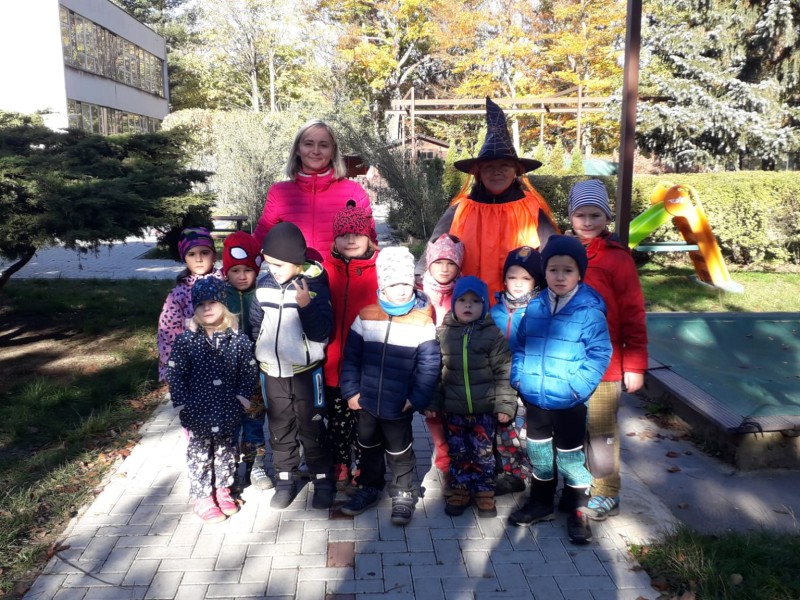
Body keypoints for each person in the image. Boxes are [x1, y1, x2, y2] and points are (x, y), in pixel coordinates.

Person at [509, 235, 611, 544]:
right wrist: (519, 378)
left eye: (568, 270)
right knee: (539, 453)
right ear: (545, 272)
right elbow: (521, 344)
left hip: (569, 401)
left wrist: (577, 388)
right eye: (553, 269)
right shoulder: (535, 306)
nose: (560, 276)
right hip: (536, 398)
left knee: (570, 456)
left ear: (580, 273)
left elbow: (599, 354)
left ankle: (577, 506)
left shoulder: (589, 310)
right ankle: (541, 502)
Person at [417, 98, 558, 301]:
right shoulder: (461, 209)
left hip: (519, 307)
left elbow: (552, 252)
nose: (496, 172)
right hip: (469, 305)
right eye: (489, 167)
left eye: (504, 166)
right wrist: (419, 274)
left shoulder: (531, 209)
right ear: (479, 173)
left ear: (516, 171)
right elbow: (436, 245)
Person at [338, 247, 440, 526]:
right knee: (367, 446)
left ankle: (404, 491)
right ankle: (370, 486)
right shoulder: (366, 316)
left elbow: (430, 365)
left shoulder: (422, 321)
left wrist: (416, 398)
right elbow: (352, 358)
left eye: (406, 284)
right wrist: (351, 391)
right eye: (394, 285)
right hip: (367, 400)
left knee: (400, 450)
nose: (402, 290)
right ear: (382, 285)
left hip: (399, 403)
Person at [565, 179, 648, 521]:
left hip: (606, 366)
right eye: (580, 215)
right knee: (571, 429)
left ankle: (606, 491)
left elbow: (633, 313)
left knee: (601, 432)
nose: (587, 222)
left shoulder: (617, 259)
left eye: (595, 215)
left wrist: (635, 365)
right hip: (566, 364)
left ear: (607, 217)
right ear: (570, 217)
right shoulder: (560, 254)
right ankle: (576, 484)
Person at [249, 222, 335, 510]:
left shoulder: (315, 287)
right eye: (269, 263)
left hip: (306, 374)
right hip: (272, 373)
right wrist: (259, 351)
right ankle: (285, 481)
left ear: (297, 262)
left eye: (280, 264)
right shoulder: (264, 285)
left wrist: (306, 305)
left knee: (313, 430)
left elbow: (323, 332)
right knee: (279, 430)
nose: (273, 270)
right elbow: (256, 324)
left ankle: (323, 481)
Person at [166, 277, 259, 523]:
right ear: (194, 309)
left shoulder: (237, 340)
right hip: (197, 411)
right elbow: (175, 372)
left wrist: (242, 397)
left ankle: (223, 489)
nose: (207, 308)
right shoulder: (187, 341)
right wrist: (182, 403)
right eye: (201, 304)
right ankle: (203, 496)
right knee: (199, 454)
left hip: (227, 408)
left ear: (224, 306)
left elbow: (248, 370)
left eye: (213, 303)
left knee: (226, 451)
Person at [427, 276, 516, 518]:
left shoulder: (492, 335)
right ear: (454, 303)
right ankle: (460, 489)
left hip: (483, 410)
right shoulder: (443, 334)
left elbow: (504, 370)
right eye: (462, 300)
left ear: (484, 306)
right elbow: (434, 371)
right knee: (458, 453)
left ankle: (485, 491)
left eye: (475, 301)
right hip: (453, 409)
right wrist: (432, 402)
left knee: (483, 453)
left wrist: (504, 404)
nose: (468, 305)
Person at [253, 119, 378, 262]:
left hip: (342, 276)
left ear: (333, 151)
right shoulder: (279, 193)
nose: (316, 151)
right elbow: (259, 242)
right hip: (296, 276)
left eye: (323, 145)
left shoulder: (354, 192)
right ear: (298, 149)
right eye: (308, 144)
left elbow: (371, 245)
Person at [322, 200, 380, 491]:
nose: (350, 240)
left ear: (369, 236)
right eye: (343, 235)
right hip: (333, 362)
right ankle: (340, 462)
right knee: (337, 420)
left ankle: (364, 465)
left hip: (368, 365)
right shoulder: (324, 270)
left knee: (364, 422)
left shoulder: (380, 269)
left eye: (357, 234)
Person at [489, 246, 545, 496]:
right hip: (499, 382)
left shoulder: (540, 310)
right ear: (504, 280)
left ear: (536, 281)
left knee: (524, 431)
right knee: (503, 428)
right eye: (512, 277)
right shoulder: (494, 312)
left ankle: (529, 471)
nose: (518, 283)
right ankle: (509, 472)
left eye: (526, 278)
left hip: (527, 382)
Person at [221, 231, 273, 492]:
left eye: (248, 270)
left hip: (254, 373)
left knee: (253, 421)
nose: (242, 276)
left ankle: (256, 465)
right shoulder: (220, 297)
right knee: (229, 425)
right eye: (235, 270)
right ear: (226, 272)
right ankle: (228, 468)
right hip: (226, 375)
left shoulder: (263, 294)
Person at [420, 233, 465, 487]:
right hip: (428, 365)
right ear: (429, 264)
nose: (444, 268)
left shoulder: (465, 292)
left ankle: (459, 461)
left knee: (455, 416)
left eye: (451, 263)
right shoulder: (420, 293)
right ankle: (445, 462)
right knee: (433, 414)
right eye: (438, 262)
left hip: (456, 366)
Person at [157, 227, 223, 382]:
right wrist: (171, 366)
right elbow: (168, 331)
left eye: (204, 252)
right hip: (193, 364)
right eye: (191, 254)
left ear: (213, 255)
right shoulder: (178, 293)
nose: (198, 259)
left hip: (225, 358)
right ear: (184, 257)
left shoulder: (225, 283)